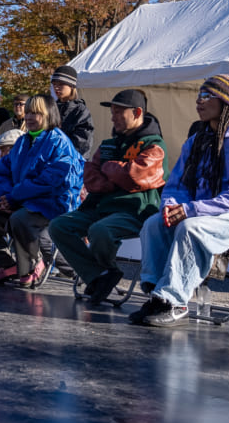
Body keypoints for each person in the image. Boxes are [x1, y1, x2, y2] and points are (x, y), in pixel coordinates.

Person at [129, 75, 229, 327]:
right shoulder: (196, 141)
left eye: (206, 97)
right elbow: (176, 184)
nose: (198, 102)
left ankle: (176, 302)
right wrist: (171, 206)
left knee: (191, 227)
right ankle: (157, 293)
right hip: (200, 212)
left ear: (227, 102)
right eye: (198, 95)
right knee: (153, 223)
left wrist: (190, 210)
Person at [48, 89, 168, 306]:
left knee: (100, 230)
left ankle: (101, 275)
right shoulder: (108, 143)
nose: (112, 117)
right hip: (100, 207)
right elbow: (90, 175)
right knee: (58, 225)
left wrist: (110, 169)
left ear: (137, 112)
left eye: (118, 112)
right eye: (112, 112)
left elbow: (137, 176)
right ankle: (100, 275)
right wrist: (116, 177)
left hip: (136, 211)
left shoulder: (154, 145)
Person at [0, 94, 84, 286]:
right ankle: (6, 264)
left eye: (36, 113)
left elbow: (52, 181)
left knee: (20, 218)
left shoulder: (59, 143)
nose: (30, 117)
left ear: (48, 115)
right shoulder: (23, 143)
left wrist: (15, 196)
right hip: (22, 201)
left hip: (52, 204)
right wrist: (4, 197)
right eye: (29, 112)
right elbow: (0, 173)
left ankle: (32, 265)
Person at [50, 65, 95, 157]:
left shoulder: (80, 111)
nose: (56, 88)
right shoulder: (50, 108)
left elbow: (82, 144)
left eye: (60, 84)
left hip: (71, 164)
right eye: (54, 84)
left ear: (71, 86)